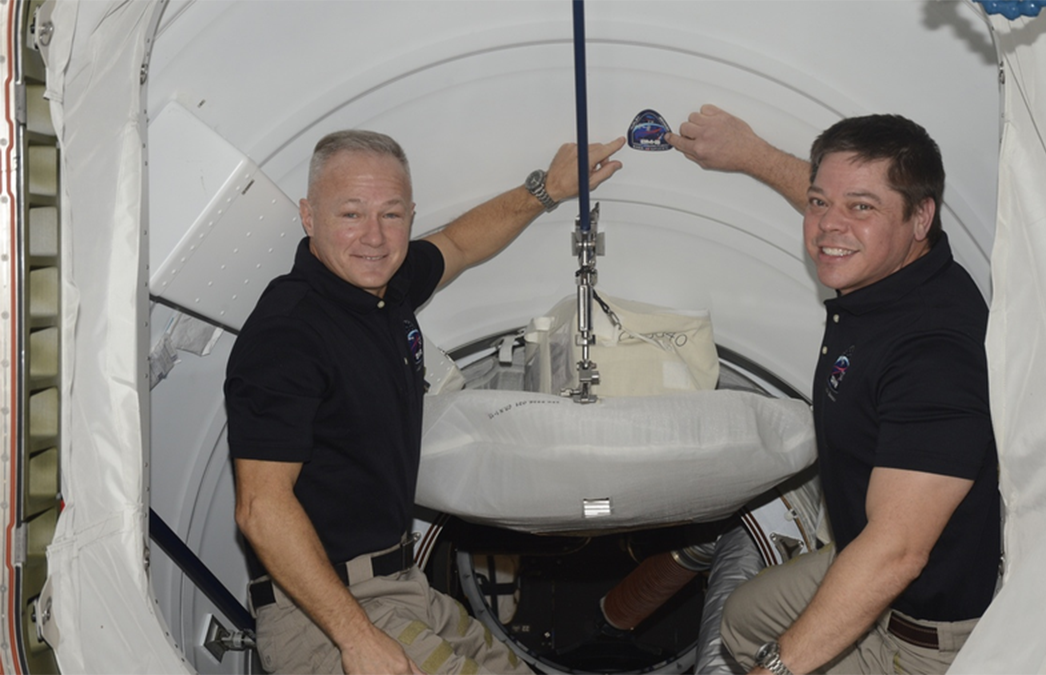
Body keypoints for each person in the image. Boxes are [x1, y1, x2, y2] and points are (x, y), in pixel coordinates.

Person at [225, 129, 624, 675]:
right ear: (309, 217)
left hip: (399, 588)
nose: (374, 236)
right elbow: (260, 508)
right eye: (351, 214)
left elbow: (458, 244)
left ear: (409, 217)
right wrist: (357, 641)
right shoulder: (288, 335)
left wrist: (547, 189)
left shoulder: (382, 289)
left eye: (391, 214)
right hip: (322, 614)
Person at [668, 108, 1001, 675]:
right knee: (742, 620)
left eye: (861, 208)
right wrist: (750, 153)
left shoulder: (934, 355)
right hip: (860, 553)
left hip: (918, 634)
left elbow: (896, 552)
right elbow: (841, 202)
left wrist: (776, 670)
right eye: (819, 202)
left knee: (768, 649)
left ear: (921, 217)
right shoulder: (899, 273)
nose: (829, 225)